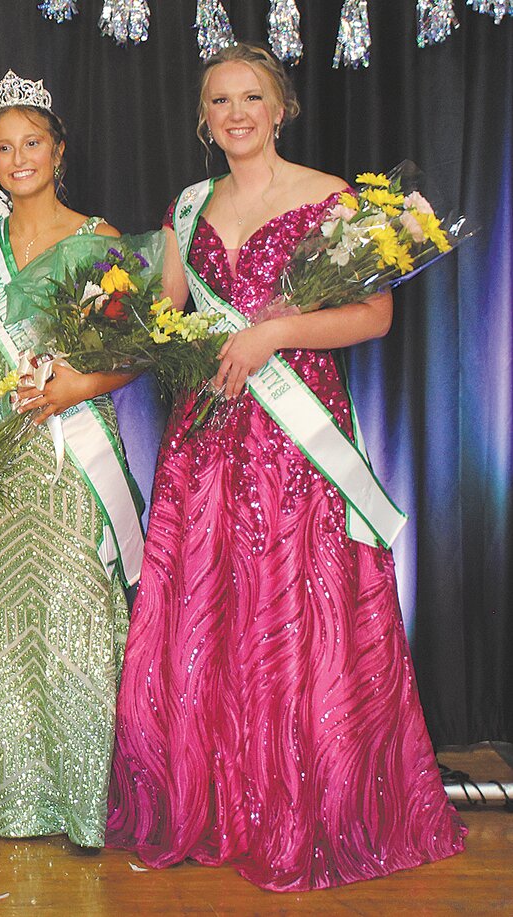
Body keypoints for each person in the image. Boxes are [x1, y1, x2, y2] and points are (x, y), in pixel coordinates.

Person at [106, 43, 466, 891]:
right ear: (205, 118)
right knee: (210, 608)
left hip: (294, 435)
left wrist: (271, 331)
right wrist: (119, 330)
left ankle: (308, 804)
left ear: (280, 108)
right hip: (206, 434)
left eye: (252, 98)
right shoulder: (187, 209)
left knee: (292, 609)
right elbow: (168, 321)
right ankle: (219, 803)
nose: (236, 113)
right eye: (221, 101)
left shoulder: (328, 198)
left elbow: (373, 316)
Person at [0, 70, 142, 848]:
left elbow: (134, 357)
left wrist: (69, 391)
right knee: (15, 611)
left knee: (77, 604)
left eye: (32, 143)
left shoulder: (100, 238)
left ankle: (91, 793)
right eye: (3, 148)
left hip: (74, 445)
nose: (18, 158)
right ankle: (20, 789)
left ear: (58, 150)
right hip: (8, 452)